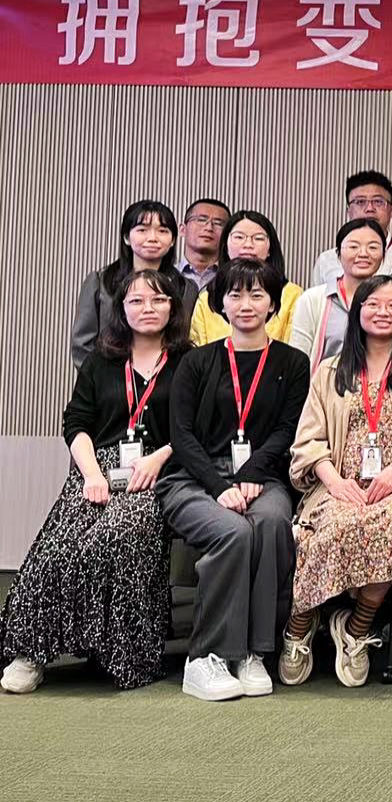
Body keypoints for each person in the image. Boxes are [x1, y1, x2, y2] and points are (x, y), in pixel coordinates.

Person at [1, 271, 189, 694]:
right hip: (97, 467)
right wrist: (91, 475)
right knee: (59, 546)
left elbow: (198, 427)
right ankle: (30, 651)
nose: (147, 309)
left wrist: (161, 456)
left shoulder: (189, 361)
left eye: (158, 300)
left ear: (173, 308)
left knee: (114, 535)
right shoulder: (101, 360)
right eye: (136, 301)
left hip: (159, 470)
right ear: (121, 309)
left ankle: (121, 650)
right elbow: (76, 423)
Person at [280, 275, 392, 688]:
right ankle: (299, 627)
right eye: (373, 304)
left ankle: (356, 629)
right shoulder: (331, 371)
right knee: (333, 526)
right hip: (338, 483)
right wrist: (335, 482)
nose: (383, 312)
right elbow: (307, 441)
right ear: (358, 312)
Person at [159, 259, 310, 701]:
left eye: (257, 294)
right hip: (194, 479)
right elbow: (181, 435)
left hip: (262, 477)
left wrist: (251, 472)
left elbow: (288, 429)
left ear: (273, 304)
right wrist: (220, 485)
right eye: (236, 294)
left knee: (271, 524)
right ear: (220, 303)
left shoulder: (293, 363)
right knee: (233, 532)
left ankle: (253, 652)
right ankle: (204, 656)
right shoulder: (196, 361)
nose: (246, 304)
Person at [72, 199, 198, 369]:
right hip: (106, 379)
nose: (152, 238)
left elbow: (185, 341)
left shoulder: (186, 288)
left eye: (162, 231)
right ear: (126, 237)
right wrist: (98, 378)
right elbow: (82, 344)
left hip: (166, 379)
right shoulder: (100, 282)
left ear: (173, 240)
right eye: (142, 230)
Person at [190, 210, 304, 346]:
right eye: (239, 237)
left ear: (270, 249)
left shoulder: (293, 295)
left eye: (258, 238)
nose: (248, 245)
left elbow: (294, 351)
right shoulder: (208, 296)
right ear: (226, 246)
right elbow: (198, 350)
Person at [290, 218, 386, 364]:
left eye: (373, 247)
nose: (363, 253)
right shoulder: (312, 299)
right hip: (323, 379)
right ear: (338, 254)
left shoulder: (391, 301)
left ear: (383, 255)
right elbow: (298, 356)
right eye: (353, 247)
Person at [312, 171, 392, 285]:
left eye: (378, 201)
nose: (369, 208)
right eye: (360, 202)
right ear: (348, 211)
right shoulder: (327, 260)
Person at [177, 198, 230, 292]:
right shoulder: (165, 275)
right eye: (201, 220)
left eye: (218, 223)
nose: (209, 228)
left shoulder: (233, 278)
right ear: (183, 229)